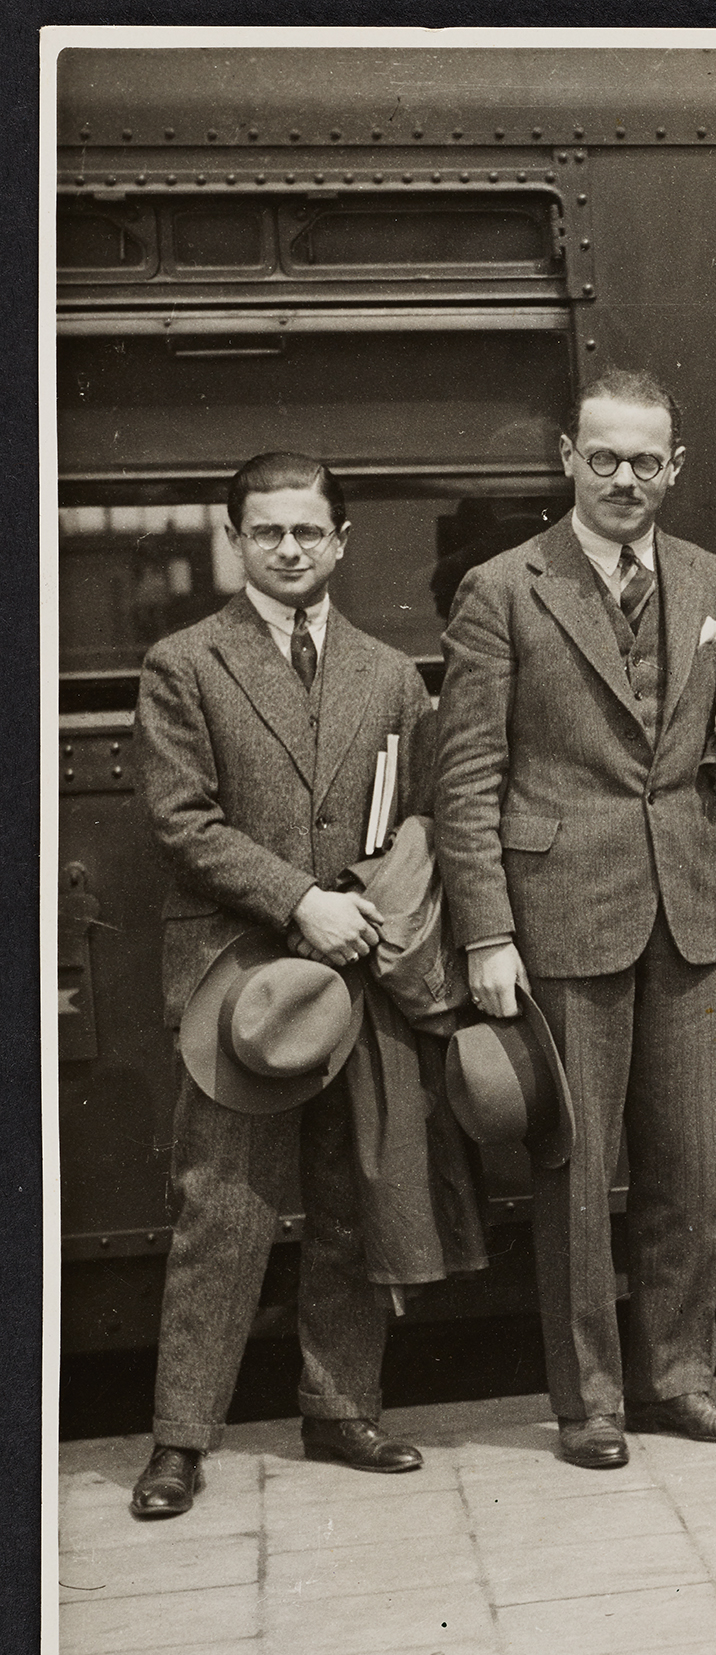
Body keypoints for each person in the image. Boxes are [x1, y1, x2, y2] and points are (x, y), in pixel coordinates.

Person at [435, 369, 716, 1468]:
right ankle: (589, 1401)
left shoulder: (710, 576)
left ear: (674, 469)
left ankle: (681, 1379)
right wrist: (487, 934)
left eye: (646, 460)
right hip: (557, 914)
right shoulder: (502, 588)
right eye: (605, 457)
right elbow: (467, 780)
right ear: (567, 458)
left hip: (685, 906)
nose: (626, 477)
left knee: (689, 1164)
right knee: (577, 1173)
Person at [128, 452, 431, 1516]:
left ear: (341, 542)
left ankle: (341, 1408)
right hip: (238, 982)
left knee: (351, 1197)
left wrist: (377, 903)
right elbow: (182, 822)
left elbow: (415, 825)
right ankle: (180, 1439)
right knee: (224, 1210)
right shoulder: (183, 663)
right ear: (237, 539)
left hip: (354, 977)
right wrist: (304, 900)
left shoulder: (392, 675)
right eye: (268, 532)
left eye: (308, 531)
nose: (290, 549)